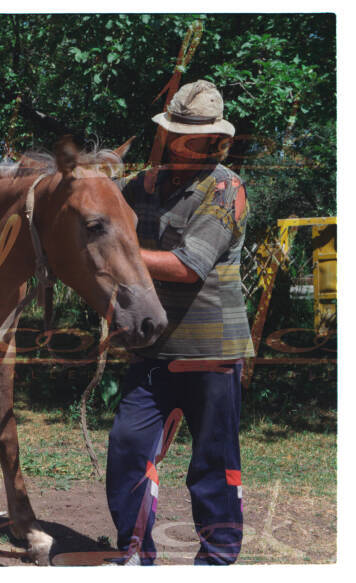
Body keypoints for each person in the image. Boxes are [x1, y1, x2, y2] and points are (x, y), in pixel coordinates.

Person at [106, 80, 254, 565]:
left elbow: (190, 266)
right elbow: (100, 215)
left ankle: (217, 559)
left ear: (217, 140)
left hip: (211, 351)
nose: (186, 144)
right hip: (153, 347)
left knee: (213, 462)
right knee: (129, 446)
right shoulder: (141, 186)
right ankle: (136, 554)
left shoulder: (226, 188)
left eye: (199, 137)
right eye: (179, 134)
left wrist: (116, 252)